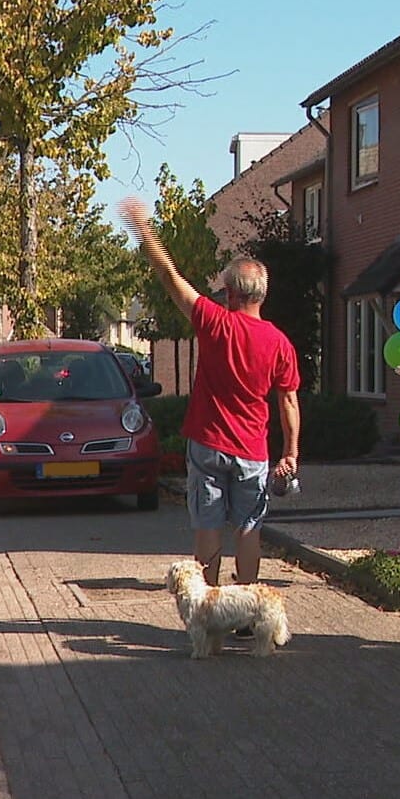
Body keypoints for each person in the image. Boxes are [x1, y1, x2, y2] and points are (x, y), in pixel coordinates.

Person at [122, 198, 300, 590]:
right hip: (253, 450)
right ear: (262, 295)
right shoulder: (280, 343)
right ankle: (249, 610)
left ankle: (209, 609)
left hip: (208, 444)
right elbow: (288, 400)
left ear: (231, 294)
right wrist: (290, 452)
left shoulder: (214, 322)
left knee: (208, 527)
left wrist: (145, 232)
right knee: (249, 530)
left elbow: (171, 278)